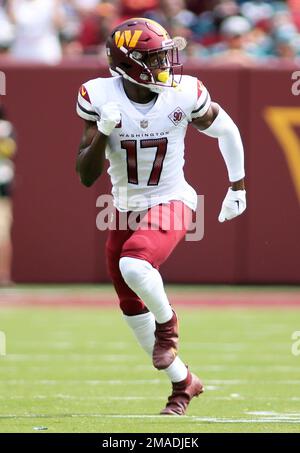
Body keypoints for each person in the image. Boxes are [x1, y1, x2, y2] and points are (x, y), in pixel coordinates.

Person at [75, 17, 246, 415]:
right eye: (155, 58)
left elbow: (228, 130)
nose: (166, 66)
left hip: (172, 199)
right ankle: (184, 383)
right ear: (128, 64)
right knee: (131, 308)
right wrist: (102, 130)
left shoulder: (183, 93)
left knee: (134, 265)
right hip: (123, 208)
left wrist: (238, 186)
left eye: (166, 56)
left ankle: (169, 325)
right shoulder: (98, 95)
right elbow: (86, 176)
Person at [0, 103, 16, 285]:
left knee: (3, 235)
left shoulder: (5, 129)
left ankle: (3, 275)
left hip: (2, 192)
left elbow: (9, 149)